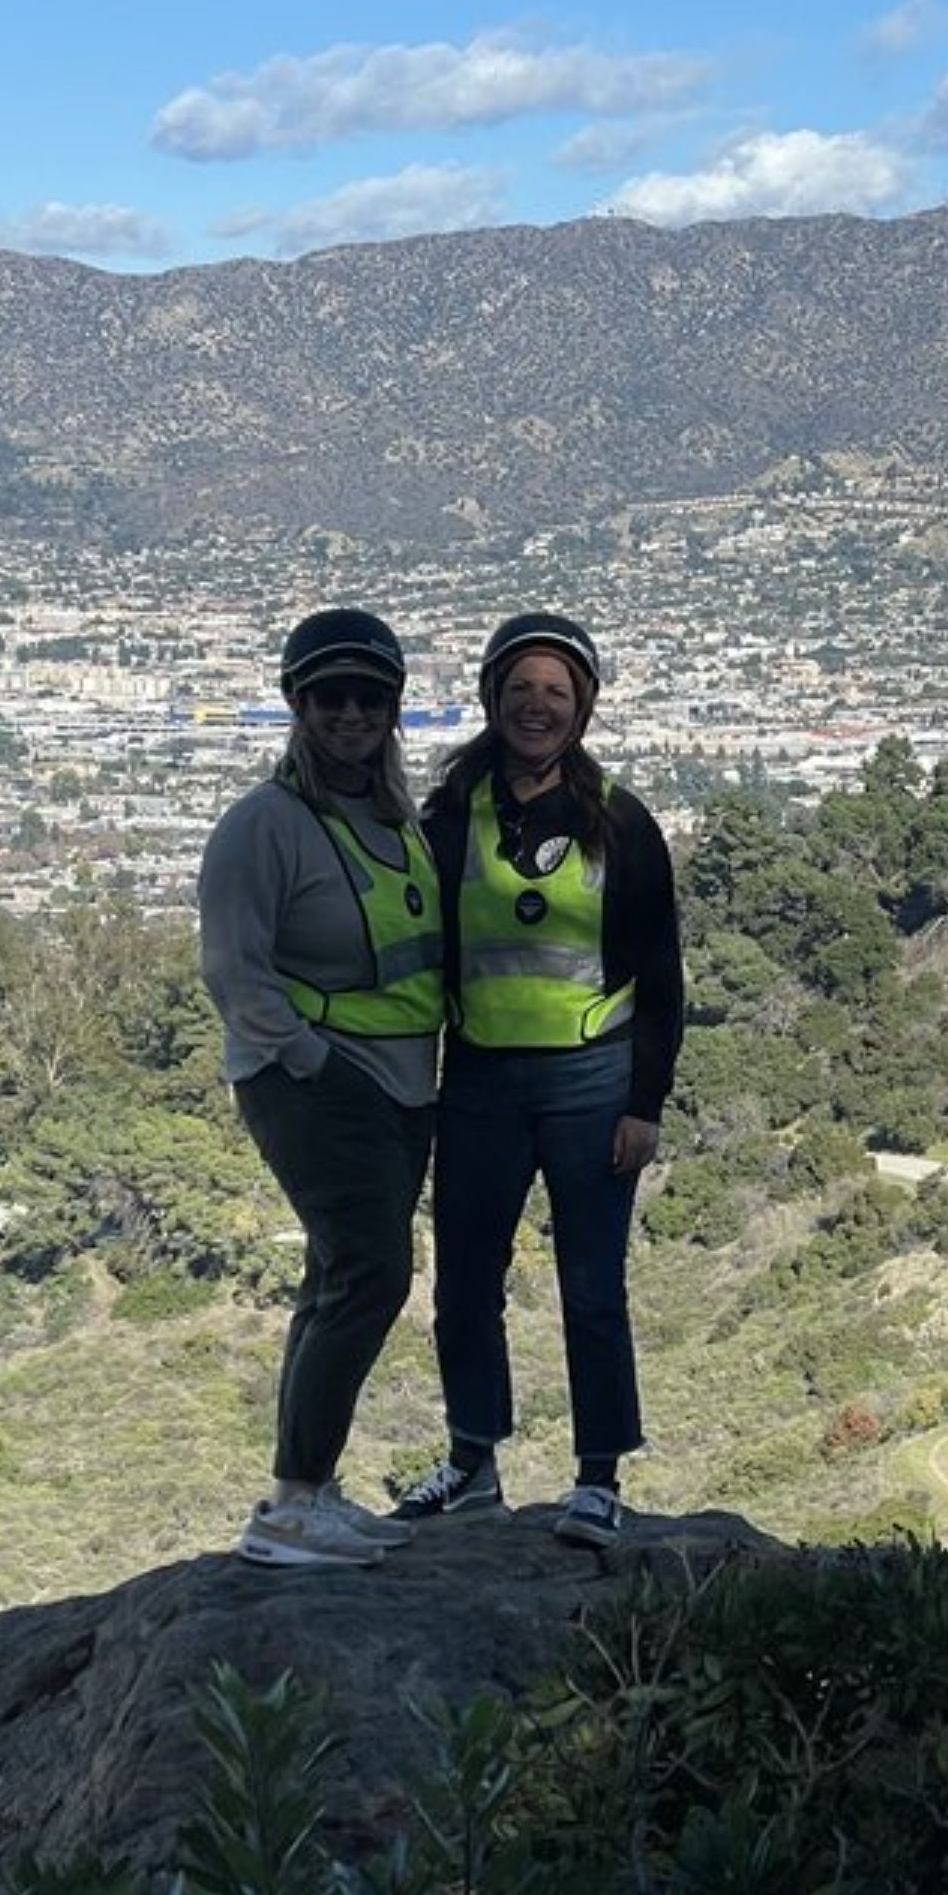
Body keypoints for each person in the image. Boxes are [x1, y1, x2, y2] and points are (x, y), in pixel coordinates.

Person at [395, 612, 682, 1547]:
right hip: (479, 1078)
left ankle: (598, 1479)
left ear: (584, 709)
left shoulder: (623, 823)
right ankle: (473, 1459)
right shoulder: (449, 819)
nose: (537, 706)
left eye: (557, 692)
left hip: (592, 1082)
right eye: (521, 688)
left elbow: (663, 974)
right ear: (490, 699)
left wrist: (646, 1105)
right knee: (464, 1282)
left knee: (591, 1283)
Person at [198, 607, 442, 1569]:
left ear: (394, 708)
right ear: (297, 705)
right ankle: (294, 1504)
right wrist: (308, 1060)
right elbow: (233, 969)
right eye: (330, 695)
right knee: (374, 1274)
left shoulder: (394, 820)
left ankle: (306, 1494)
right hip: (317, 1084)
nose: (350, 713)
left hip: (399, 1086)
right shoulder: (265, 825)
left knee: (337, 1275)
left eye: (369, 696)